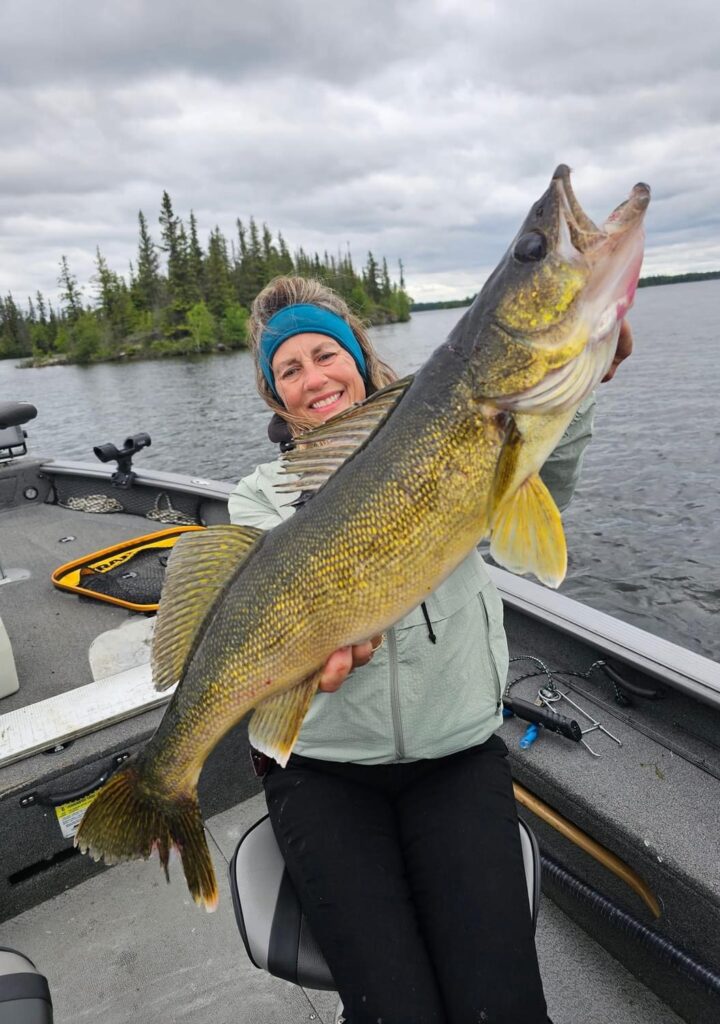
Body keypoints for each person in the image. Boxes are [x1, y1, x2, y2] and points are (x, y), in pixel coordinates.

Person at [228, 276, 631, 1024]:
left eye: (326, 354)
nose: (313, 377)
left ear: (359, 358)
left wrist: (579, 384)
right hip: (324, 777)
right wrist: (304, 656)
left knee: (502, 1005)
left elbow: (545, 476)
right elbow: (253, 611)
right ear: (274, 394)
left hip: (457, 758)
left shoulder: (442, 450)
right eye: (289, 369)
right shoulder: (258, 496)